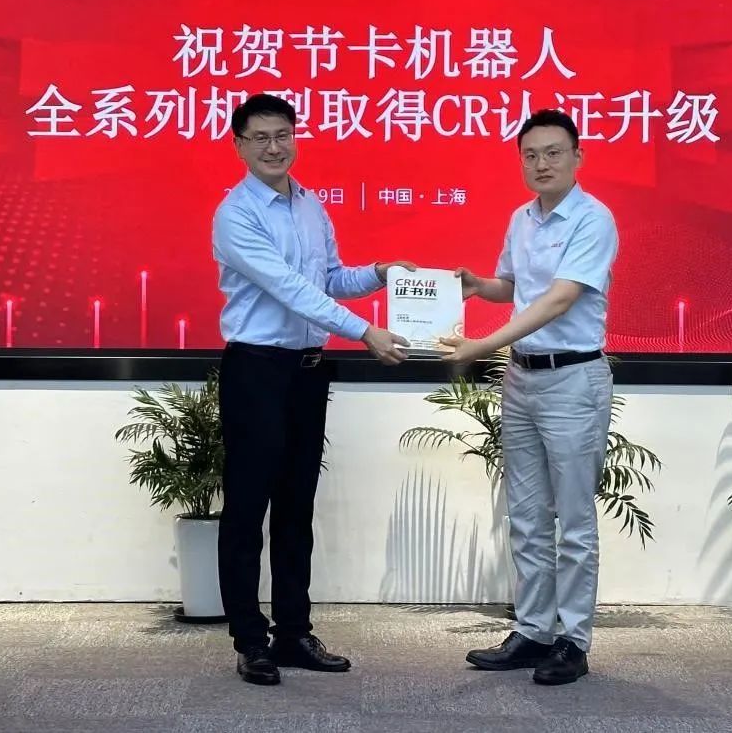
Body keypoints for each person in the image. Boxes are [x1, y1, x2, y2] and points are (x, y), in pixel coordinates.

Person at [211, 92, 413, 686]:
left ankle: (294, 632)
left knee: (297, 507)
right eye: (260, 137)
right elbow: (289, 290)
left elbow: (327, 279)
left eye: (283, 135)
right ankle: (251, 640)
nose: (274, 147)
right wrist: (366, 331)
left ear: (295, 137)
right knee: (248, 508)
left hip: (306, 370)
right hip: (256, 370)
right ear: (240, 146)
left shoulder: (310, 204)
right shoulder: (235, 214)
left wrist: (381, 274)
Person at [439, 108, 619, 686]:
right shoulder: (521, 219)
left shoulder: (593, 219)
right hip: (522, 379)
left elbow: (560, 299)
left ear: (577, 157)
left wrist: (481, 345)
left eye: (553, 152)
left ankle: (574, 640)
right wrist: (477, 286)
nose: (542, 164)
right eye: (531, 155)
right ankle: (534, 630)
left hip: (572, 380)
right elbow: (515, 288)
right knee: (526, 515)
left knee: (574, 521)